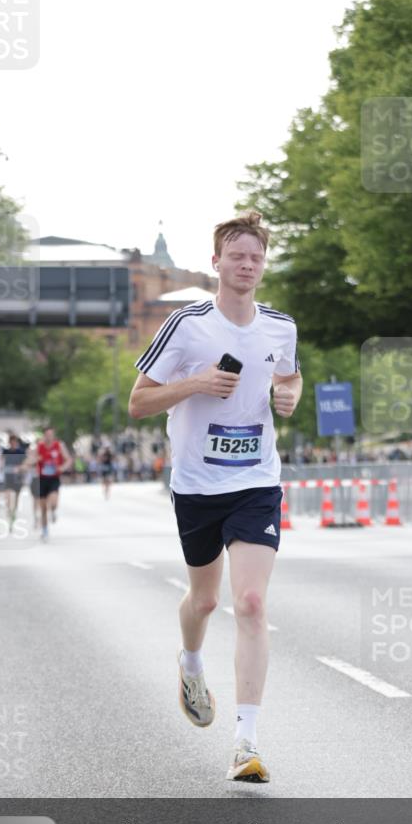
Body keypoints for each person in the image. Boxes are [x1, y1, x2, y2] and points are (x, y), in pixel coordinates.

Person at [128, 211, 301, 783]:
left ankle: (245, 743)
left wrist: (288, 394)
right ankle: (191, 661)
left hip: (256, 479)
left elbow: (289, 374)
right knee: (203, 601)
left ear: (262, 264)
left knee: (250, 603)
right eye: (237, 256)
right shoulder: (186, 325)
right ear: (217, 263)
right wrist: (195, 384)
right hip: (197, 483)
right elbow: (138, 402)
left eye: (256, 257)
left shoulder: (280, 327)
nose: (247, 265)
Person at [35, 427, 72, 541]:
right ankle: (45, 530)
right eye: (47, 434)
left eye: (51, 434)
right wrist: (36, 459)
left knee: (53, 502)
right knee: (43, 508)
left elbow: (69, 460)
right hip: (42, 479)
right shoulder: (39, 446)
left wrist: (62, 468)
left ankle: (54, 510)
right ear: (44, 435)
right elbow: (32, 459)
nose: (49, 437)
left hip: (53, 478)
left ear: (53, 435)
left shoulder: (59, 445)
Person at [2, 433, 27, 529]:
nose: (13, 443)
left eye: (14, 442)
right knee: (8, 497)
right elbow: (1, 462)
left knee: (16, 498)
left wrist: (20, 468)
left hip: (18, 478)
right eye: (11, 442)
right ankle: (9, 510)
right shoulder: (5, 452)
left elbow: (25, 464)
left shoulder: (21, 452)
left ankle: (13, 512)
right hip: (7, 477)